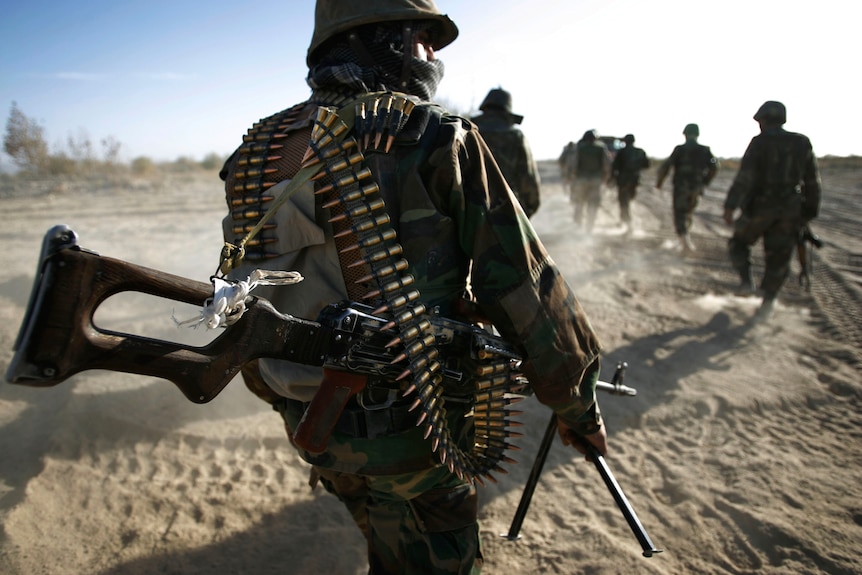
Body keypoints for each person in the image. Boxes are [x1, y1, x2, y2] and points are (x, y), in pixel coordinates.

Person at [218, 1, 606, 573]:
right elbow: (525, 290)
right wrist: (578, 404)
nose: (432, 54)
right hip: (414, 431)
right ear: (387, 42)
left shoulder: (256, 152)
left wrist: (282, 396)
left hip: (312, 420)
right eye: (423, 38)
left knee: (384, 542)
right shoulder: (435, 136)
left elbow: (240, 298)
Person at [722, 100, 821, 318]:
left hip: (760, 207)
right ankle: (768, 301)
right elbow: (812, 181)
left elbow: (744, 177)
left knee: (738, 243)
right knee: (779, 258)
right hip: (790, 210)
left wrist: (730, 206)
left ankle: (747, 283)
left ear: (763, 120)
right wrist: (807, 213)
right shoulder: (802, 142)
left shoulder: (760, 142)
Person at [471, 87, 541, 218]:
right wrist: (527, 210)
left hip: (468, 210)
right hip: (506, 209)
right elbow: (528, 178)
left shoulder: (466, 130)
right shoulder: (516, 136)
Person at [655, 123, 718, 254]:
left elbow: (666, 166)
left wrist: (660, 182)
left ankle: (685, 242)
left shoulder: (680, 149)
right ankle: (684, 239)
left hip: (681, 187)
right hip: (696, 188)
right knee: (689, 212)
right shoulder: (705, 150)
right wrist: (704, 181)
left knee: (679, 213)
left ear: (685, 134)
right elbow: (715, 167)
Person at [570, 129, 611, 232]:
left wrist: (573, 177)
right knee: (593, 204)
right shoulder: (601, 148)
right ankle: (589, 227)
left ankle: (578, 225)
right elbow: (606, 164)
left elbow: (574, 164)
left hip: (581, 180)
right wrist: (605, 177)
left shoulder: (580, 148)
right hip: (595, 180)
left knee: (580, 202)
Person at [610, 134, 650, 231]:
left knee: (624, 202)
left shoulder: (622, 152)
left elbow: (615, 166)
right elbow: (646, 165)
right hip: (634, 180)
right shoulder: (640, 152)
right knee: (628, 200)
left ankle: (628, 224)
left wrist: (612, 178)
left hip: (623, 180)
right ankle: (627, 222)